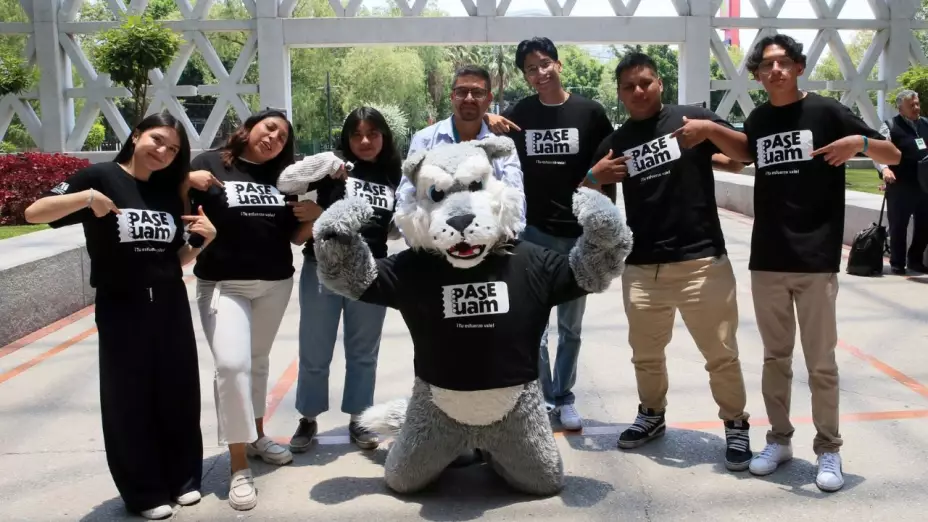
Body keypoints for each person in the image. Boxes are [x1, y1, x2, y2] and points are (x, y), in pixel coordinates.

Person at [24, 113, 215, 520]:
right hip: (122, 305)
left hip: (170, 303)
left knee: (178, 391)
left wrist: (202, 241)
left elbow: (171, 260)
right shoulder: (100, 177)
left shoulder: (166, 191)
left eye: (173, 149)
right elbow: (34, 212)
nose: (163, 152)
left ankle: (183, 479)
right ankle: (143, 491)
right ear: (136, 135)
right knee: (128, 399)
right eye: (158, 140)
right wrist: (87, 199)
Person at [731, 34, 900, 492]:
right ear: (757, 75)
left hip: (815, 258)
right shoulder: (759, 119)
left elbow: (893, 154)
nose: (775, 70)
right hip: (767, 258)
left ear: (799, 67)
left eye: (784, 62)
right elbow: (737, 155)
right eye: (766, 65)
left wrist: (859, 142)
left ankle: (829, 449)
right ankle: (779, 440)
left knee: (821, 362)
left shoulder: (826, 111)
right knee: (775, 359)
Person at [583, 51, 755, 472]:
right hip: (643, 268)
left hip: (702, 261)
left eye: (646, 82)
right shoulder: (617, 142)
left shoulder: (691, 119)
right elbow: (592, 203)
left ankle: (736, 423)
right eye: (629, 86)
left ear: (659, 83)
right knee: (645, 354)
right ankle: (651, 414)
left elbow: (744, 154)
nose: (639, 91)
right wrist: (592, 177)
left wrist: (710, 130)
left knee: (721, 354)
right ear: (620, 94)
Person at [186, 109, 317, 511]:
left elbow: (295, 236)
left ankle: (258, 438)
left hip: (275, 283)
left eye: (283, 137)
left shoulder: (285, 179)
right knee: (231, 366)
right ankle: (238, 464)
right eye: (269, 128)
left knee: (258, 362)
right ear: (250, 127)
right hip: (223, 283)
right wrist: (184, 179)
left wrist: (316, 217)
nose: (274, 138)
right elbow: (169, 200)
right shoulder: (209, 163)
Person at [482, 37, 615, 430]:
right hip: (534, 234)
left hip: (578, 235)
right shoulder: (520, 113)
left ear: (558, 64)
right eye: (530, 69)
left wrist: (604, 228)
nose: (539, 73)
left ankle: (565, 397)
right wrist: (488, 118)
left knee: (571, 327)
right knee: (534, 325)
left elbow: (607, 169)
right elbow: (486, 146)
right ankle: (540, 397)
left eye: (544, 64)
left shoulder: (590, 112)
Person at [282, 107, 402, 452]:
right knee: (315, 348)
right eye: (356, 135)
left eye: (372, 134)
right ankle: (308, 417)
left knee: (364, 351)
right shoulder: (333, 169)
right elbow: (286, 182)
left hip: (370, 270)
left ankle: (360, 418)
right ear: (346, 139)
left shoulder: (393, 175)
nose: (364, 141)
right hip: (323, 266)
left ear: (384, 137)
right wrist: (323, 171)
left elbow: (390, 227)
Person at [397, 64, 525, 226]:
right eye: (461, 92)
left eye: (477, 92)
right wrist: (417, 237)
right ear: (452, 96)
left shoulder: (501, 144)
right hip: (436, 236)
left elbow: (514, 195)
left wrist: (509, 233)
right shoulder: (425, 139)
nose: (469, 98)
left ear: (489, 99)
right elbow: (407, 196)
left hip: (490, 236)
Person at [873, 89, 928, 274]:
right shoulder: (890, 126)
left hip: (925, 185)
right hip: (900, 185)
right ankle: (897, 263)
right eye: (911, 105)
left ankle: (915, 260)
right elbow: (878, 151)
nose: (916, 107)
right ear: (900, 108)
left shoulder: (926, 124)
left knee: (925, 225)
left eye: (917, 104)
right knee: (898, 226)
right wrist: (885, 169)